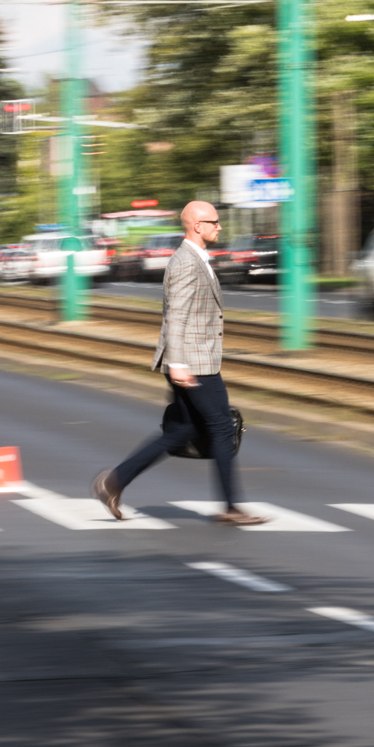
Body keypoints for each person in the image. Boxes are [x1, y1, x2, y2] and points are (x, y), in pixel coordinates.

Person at [93, 201, 266, 526]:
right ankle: (231, 506)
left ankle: (113, 482)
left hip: (192, 359)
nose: (220, 227)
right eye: (214, 222)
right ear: (197, 226)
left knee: (182, 431)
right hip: (193, 362)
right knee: (220, 427)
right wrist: (178, 363)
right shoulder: (187, 262)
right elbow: (176, 316)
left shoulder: (195, 259)